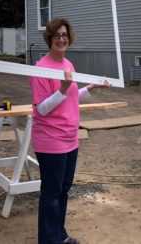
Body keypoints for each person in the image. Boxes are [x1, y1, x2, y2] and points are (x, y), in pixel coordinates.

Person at [29, 18, 111, 244]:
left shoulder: (68, 65)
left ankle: (59, 236)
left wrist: (91, 88)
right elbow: (41, 110)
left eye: (65, 35)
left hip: (70, 138)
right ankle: (49, 240)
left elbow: (71, 98)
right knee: (51, 192)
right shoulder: (40, 69)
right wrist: (62, 90)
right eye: (57, 35)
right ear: (49, 38)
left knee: (63, 190)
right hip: (50, 140)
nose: (62, 39)